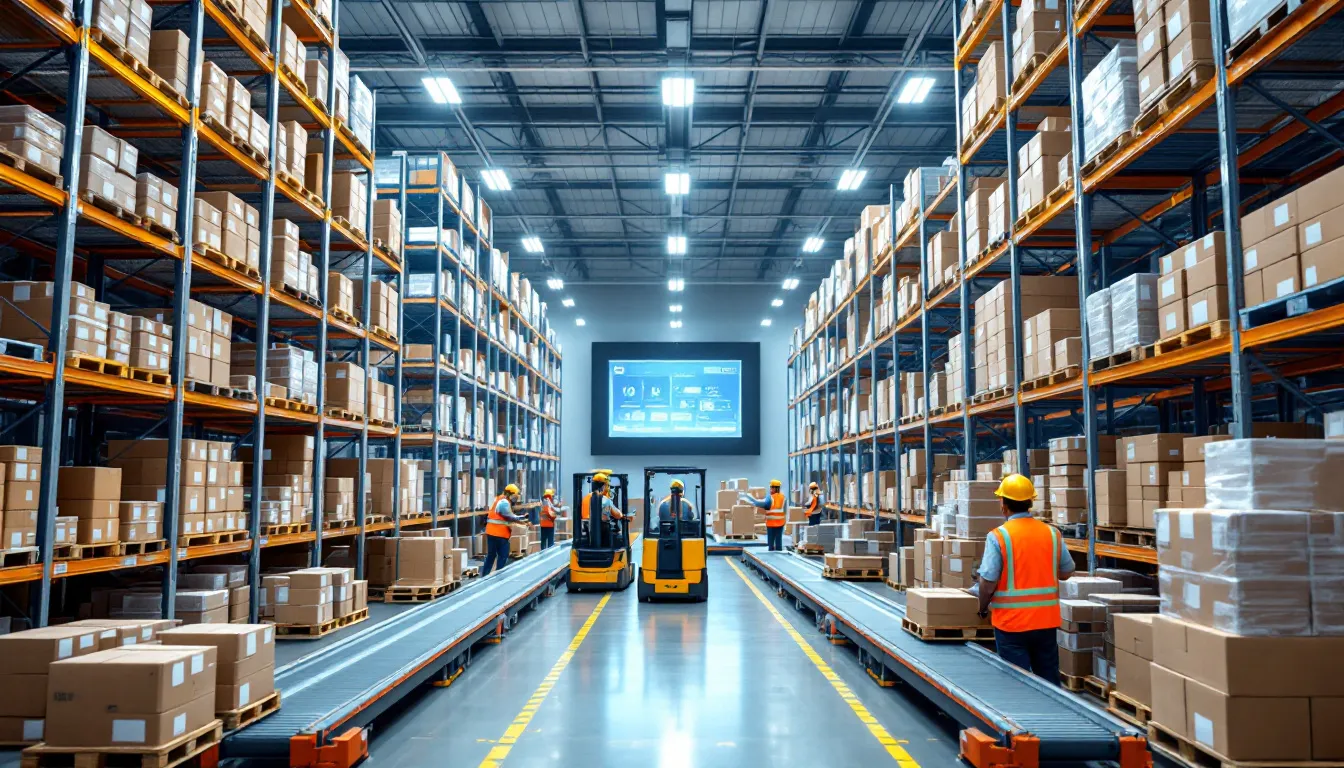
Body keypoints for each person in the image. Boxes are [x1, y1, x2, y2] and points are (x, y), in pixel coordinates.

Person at [974, 473, 1075, 685]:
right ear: (1030, 502)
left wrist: (982, 607)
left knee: (1018, 685)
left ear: (1003, 505)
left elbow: (988, 581)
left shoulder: (999, 536)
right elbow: (1067, 571)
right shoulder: (1052, 533)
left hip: (1012, 625)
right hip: (1045, 622)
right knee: (1048, 682)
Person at [482, 483, 526, 577]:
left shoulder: (499, 499)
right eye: (515, 496)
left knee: (491, 556)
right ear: (510, 494)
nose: (515, 499)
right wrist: (522, 518)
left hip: (491, 532)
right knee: (503, 556)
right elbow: (510, 516)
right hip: (500, 535)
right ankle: (499, 577)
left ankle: (484, 577)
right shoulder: (504, 503)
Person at [740, 479, 787, 551]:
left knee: (770, 543)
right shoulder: (783, 498)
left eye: (771, 487)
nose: (770, 489)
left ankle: (772, 556)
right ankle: (779, 552)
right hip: (780, 523)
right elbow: (785, 511)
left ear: (775, 488)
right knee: (778, 541)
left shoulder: (770, 497)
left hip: (771, 524)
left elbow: (763, 504)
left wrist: (750, 498)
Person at [580, 473, 624, 544]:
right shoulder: (605, 500)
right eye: (607, 485)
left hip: (586, 529)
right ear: (603, 486)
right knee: (618, 533)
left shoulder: (585, 498)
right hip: (601, 531)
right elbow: (618, 515)